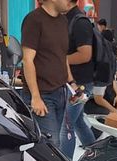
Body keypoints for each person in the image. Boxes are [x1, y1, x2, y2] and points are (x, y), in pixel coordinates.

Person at [21, 0, 73, 150]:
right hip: (42, 94)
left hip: (61, 90)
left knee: (57, 142)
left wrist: (71, 82)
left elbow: (63, 56)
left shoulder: (63, 21)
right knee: (51, 145)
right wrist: (35, 97)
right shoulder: (34, 20)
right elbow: (28, 60)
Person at [60, 0, 96, 159]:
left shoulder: (80, 22)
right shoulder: (69, 20)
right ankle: (95, 155)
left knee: (66, 125)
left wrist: (59, 59)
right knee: (78, 121)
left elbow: (85, 55)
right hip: (74, 83)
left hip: (80, 84)